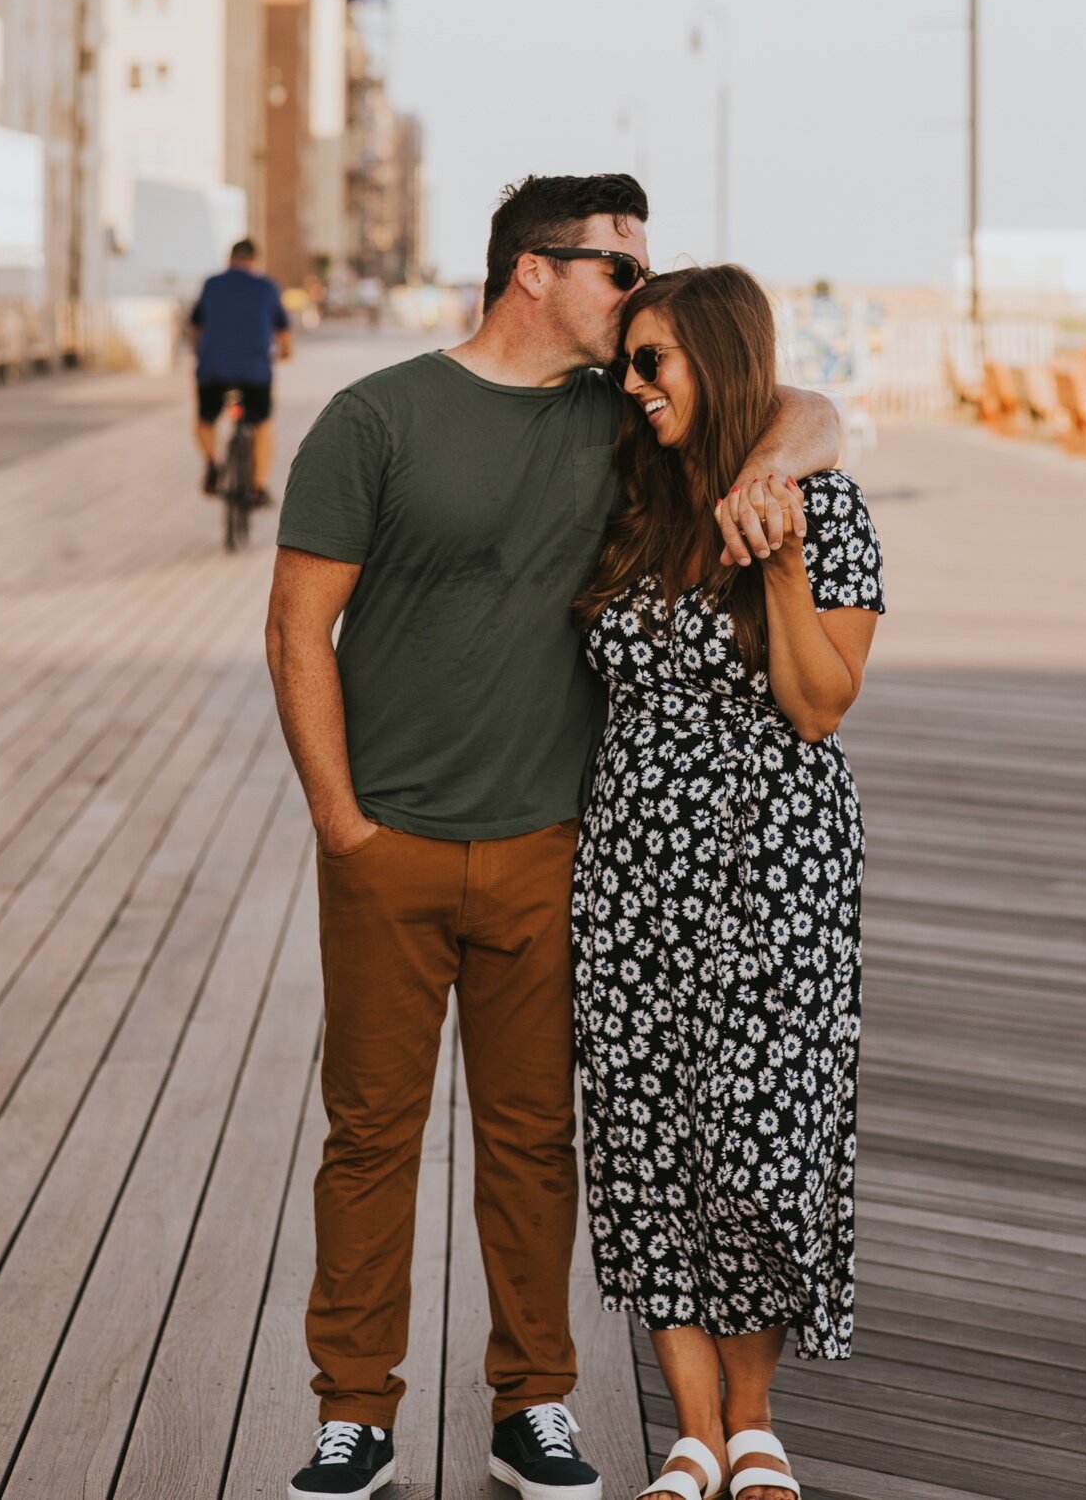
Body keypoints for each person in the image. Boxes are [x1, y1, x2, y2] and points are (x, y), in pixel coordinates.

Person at [264, 175, 840, 1500]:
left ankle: (534, 1402)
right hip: (388, 840)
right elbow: (300, 628)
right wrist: (341, 819)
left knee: (532, 1139)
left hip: (551, 844)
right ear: (535, 270)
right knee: (370, 1135)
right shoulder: (379, 417)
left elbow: (808, 409)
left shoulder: (624, 420)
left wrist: (770, 459)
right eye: (619, 271)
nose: (639, 299)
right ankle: (354, 1411)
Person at [571, 265, 882, 1500]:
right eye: (625, 365)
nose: (635, 387)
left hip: (778, 864)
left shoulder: (828, 508)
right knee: (647, 1139)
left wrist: (784, 554)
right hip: (636, 862)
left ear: (717, 357)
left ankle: (757, 1416)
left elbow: (818, 704)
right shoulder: (629, 500)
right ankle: (695, 1432)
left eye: (657, 364)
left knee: (761, 1140)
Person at [189, 237, 293, 506]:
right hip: (254, 371)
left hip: (213, 368)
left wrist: (200, 351)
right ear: (255, 260)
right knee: (261, 424)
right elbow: (284, 334)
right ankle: (258, 487)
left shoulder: (211, 284)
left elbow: (194, 328)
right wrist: (284, 354)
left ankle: (212, 462)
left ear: (230, 259)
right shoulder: (267, 287)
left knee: (205, 419)